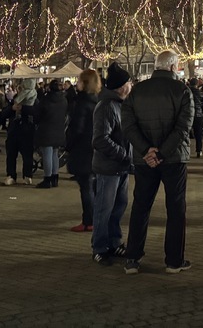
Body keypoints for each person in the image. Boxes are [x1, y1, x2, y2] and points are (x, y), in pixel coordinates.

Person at [121, 50, 195, 275]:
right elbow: (183, 128)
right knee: (175, 208)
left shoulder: (137, 91)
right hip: (173, 158)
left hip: (144, 161)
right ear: (173, 67)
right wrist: (162, 153)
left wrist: (146, 150)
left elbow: (128, 125)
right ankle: (173, 260)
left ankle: (132, 257)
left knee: (141, 207)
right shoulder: (182, 91)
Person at [90, 63, 134, 266]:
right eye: (129, 82)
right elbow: (100, 139)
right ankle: (99, 247)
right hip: (109, 167)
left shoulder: (120, 104)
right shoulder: (107, 106)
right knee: (104, 209)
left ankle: (114, 242)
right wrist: (123, 154)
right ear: (121, 86)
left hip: (122, 166)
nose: (131, 85)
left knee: (118, 207)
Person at [66, 68, 101, 232]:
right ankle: (94, 218)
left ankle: (88, 220)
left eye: (79, 80)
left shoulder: (82, 103)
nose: (76, 83)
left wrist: (68, 144)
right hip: (93, 149)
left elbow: (77, 128)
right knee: (92, 186)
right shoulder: (97, 101)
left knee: (86, 187)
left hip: (82, 149)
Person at [4, 79, 39, 186]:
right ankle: (11, 175)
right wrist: (12, 108)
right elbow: (5, 112)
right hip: (14, 129)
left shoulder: (35, 100)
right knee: (11, 154)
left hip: (27, 130)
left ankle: (27, 175)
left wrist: (23, 108)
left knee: (27, 155)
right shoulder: (16, 99)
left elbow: (37, 114)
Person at [35, 80, 68, 188]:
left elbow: (38, 114)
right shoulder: (63, 100)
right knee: (55, 153)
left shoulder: (46, 99)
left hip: (47, 129)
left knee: (47, 154)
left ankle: (47, 179)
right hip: (59, 129)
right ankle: (55, 178)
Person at [187, 78, 203, 159]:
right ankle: (199, 150)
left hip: (187, 114)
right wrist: (202, 110)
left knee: (185, 133)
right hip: (198, 114)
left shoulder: (186, 92)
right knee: (198, 133)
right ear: (197, 84)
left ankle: (186, 150)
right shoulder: (200, 93)